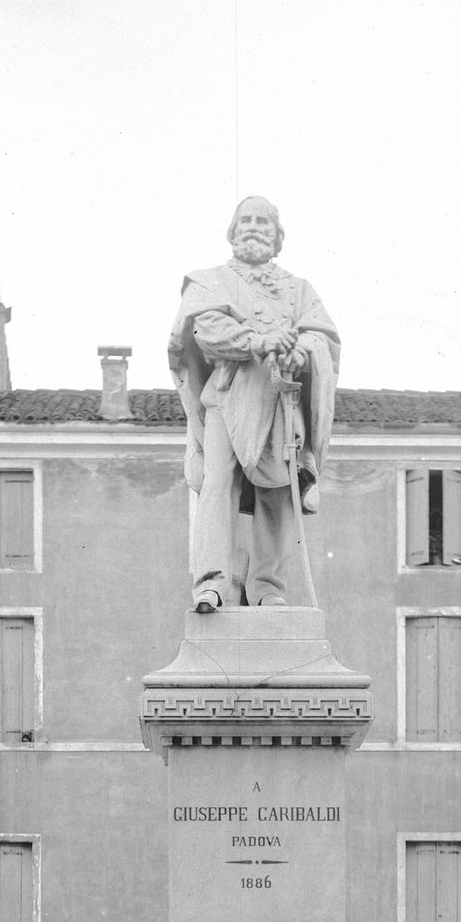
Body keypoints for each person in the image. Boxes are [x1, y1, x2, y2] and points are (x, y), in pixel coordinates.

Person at [169, 196, 340, 612]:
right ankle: (211, 583)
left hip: (281, 399)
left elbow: (323, 337)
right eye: (245, 219)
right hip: (228, 398)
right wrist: (260, 341)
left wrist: (303, 351)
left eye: (264, 221)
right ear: (232, 232)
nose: (253, 226)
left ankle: (267, 588)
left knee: (278, 491)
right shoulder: (209, 281)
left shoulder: (300, 290)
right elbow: (207, 331)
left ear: (277, 236)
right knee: (218, 484)